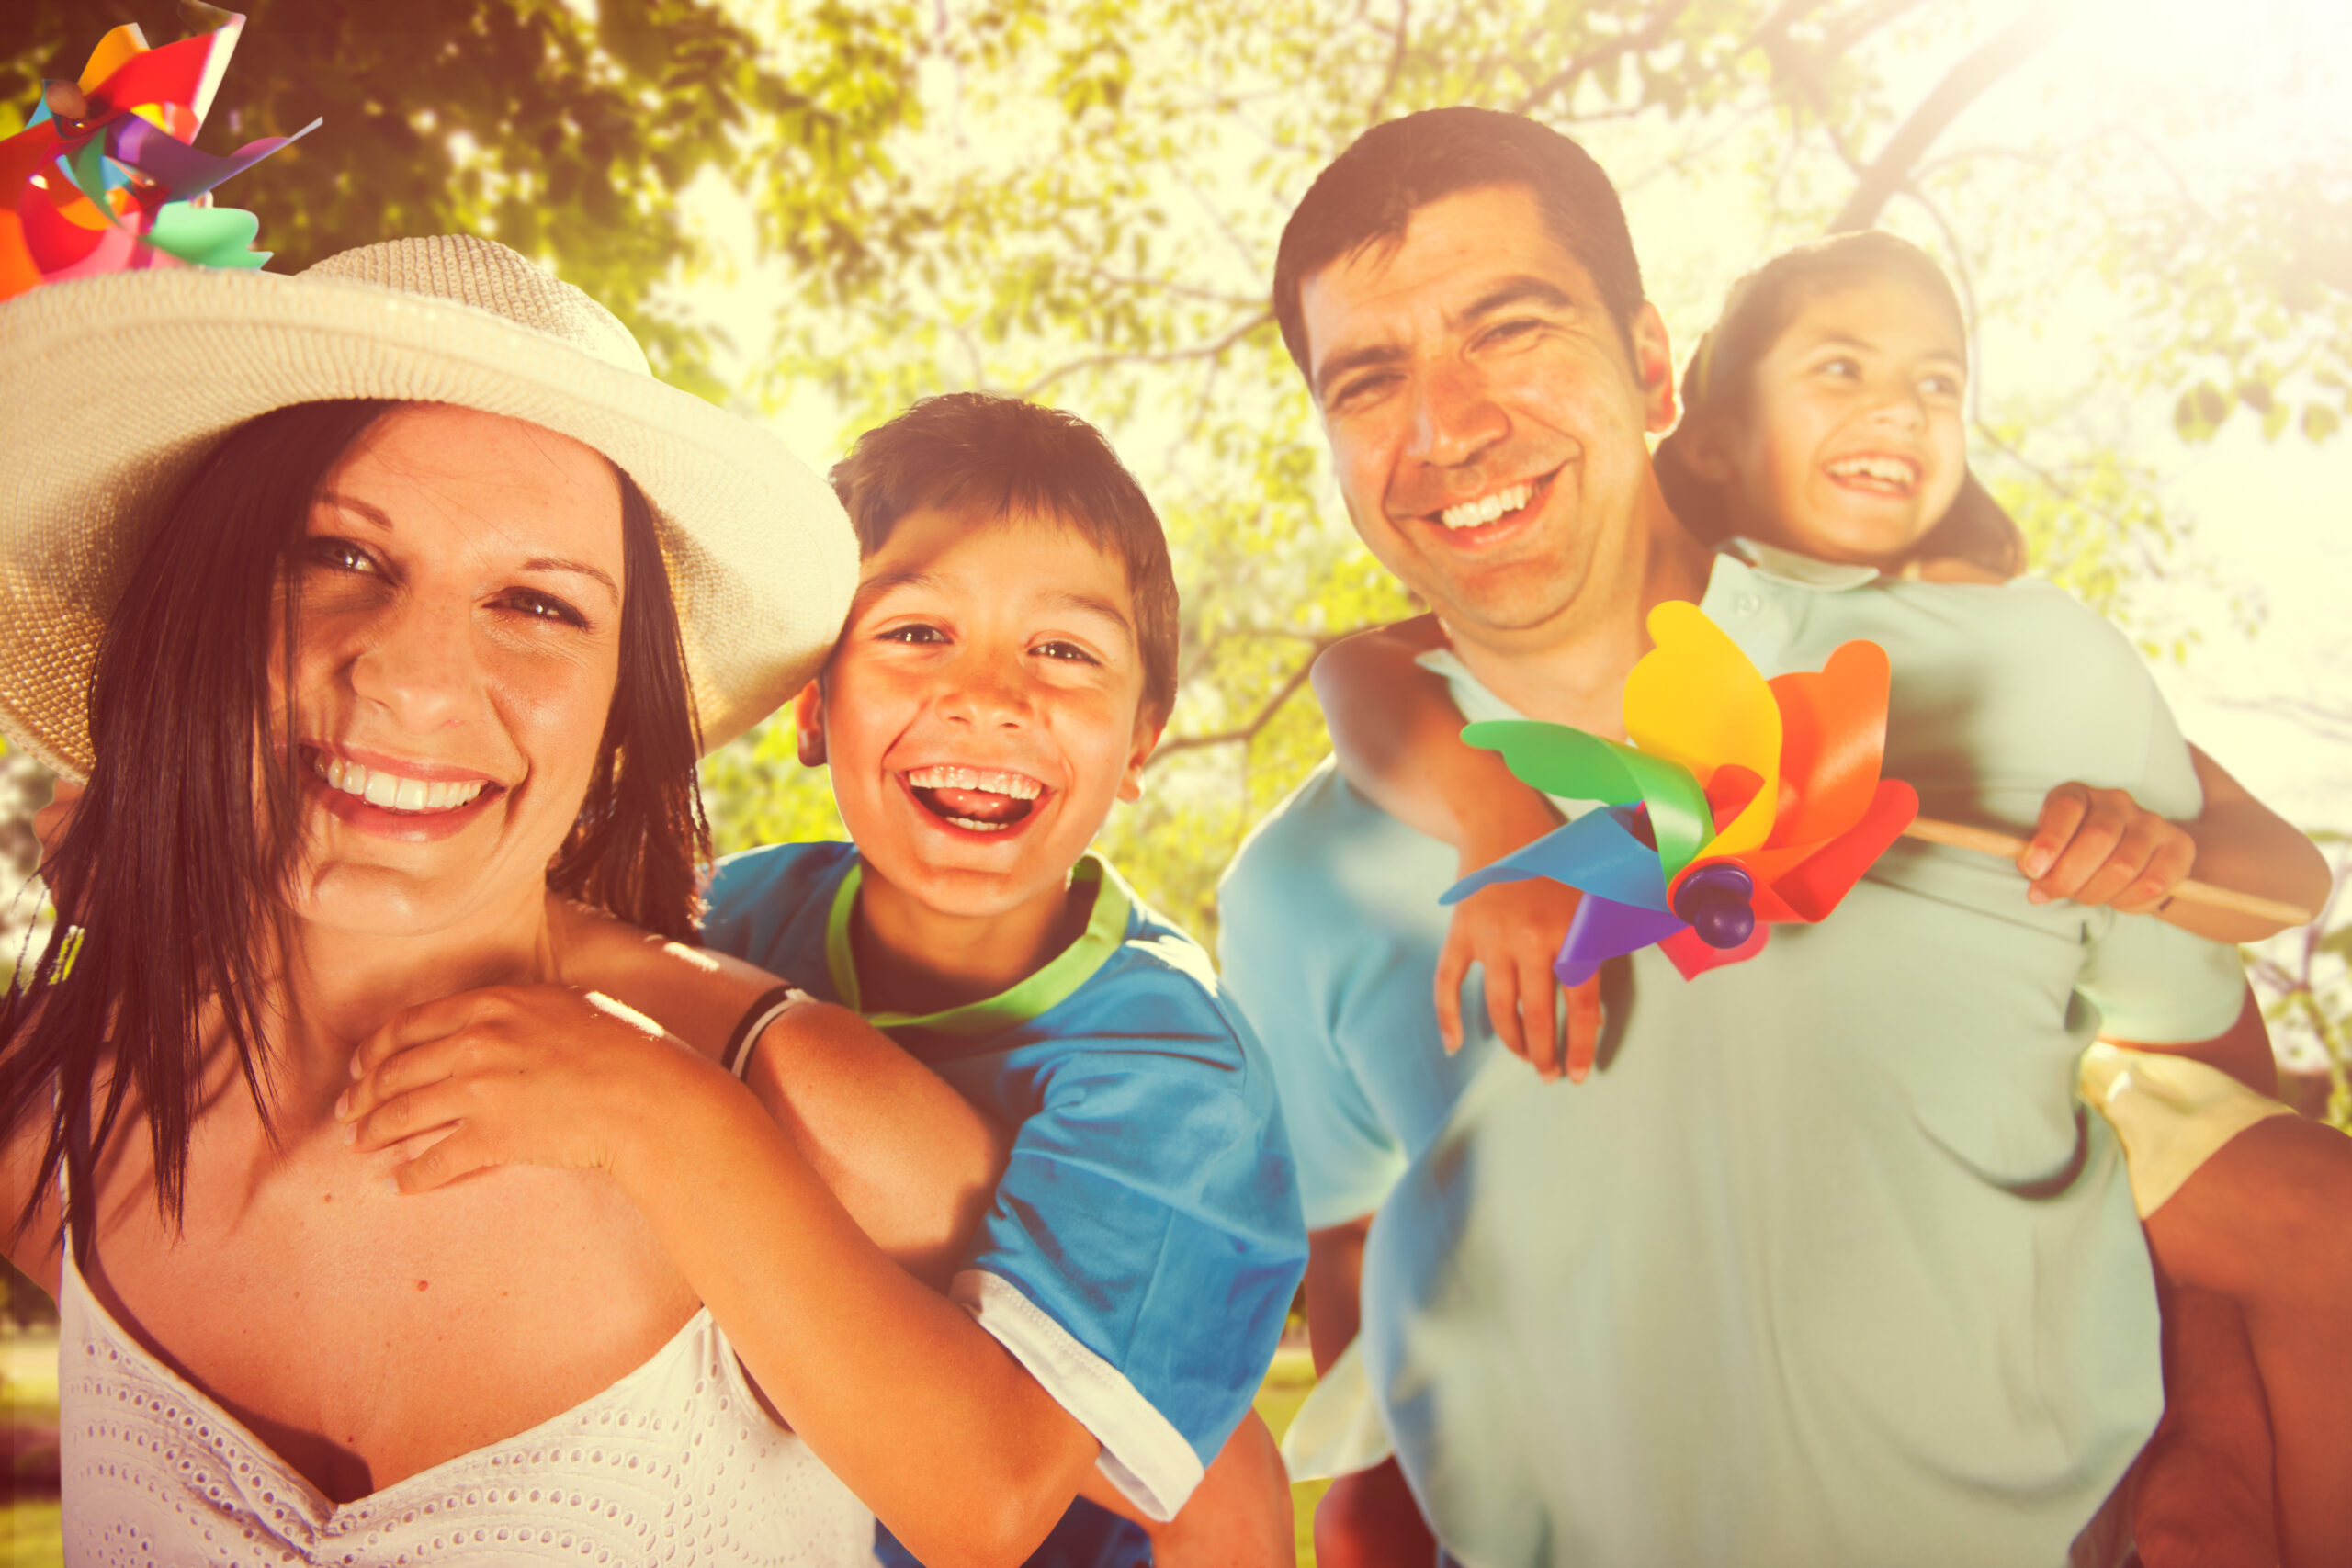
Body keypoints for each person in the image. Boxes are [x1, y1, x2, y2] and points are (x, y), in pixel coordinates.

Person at [1213, 107, 2346, 1567]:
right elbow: (1349, 1242)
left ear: (1651, 364)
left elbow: (2229, 1128)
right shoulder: (1301, 883)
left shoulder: (2031, 683)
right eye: (1371, 378)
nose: (1447, 425)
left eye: (1510, 328)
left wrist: (2219, 1461)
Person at [0, 235, 1034, 1564]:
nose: (416, 682)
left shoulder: (818, 1122)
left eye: (538, 601)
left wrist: (674, 1118)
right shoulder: (55, 1115)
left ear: (621, 714)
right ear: (191, 613)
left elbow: (1102, 1475)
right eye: (340, 555)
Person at [342, 392, 1311, 1567]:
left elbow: (1002, 1499)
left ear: (1142, 739)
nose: (989, 697)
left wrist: (655, 1106)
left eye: (1064, 652)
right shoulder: (729, 918)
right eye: (915, 634)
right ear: (811, 707)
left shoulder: (1174, 1086)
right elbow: (471, 899)